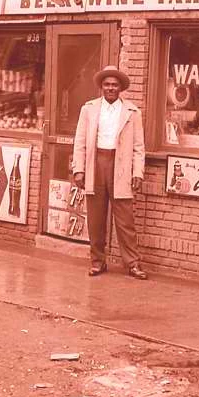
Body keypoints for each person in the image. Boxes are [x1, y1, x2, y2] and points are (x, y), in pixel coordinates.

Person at [72, 65, 148, 280]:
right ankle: (98, 261)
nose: (111, 88)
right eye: (107, 84)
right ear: (101, 87)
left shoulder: (132, 112)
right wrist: (79, 169)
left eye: (115, 85)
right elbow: (80, 141)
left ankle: (132, 263)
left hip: (120, 166)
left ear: (120, 88)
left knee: (125, 219)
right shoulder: (89, 109)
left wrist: (138, 172)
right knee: (95, 219)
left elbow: (138, 146)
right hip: (96, 163)